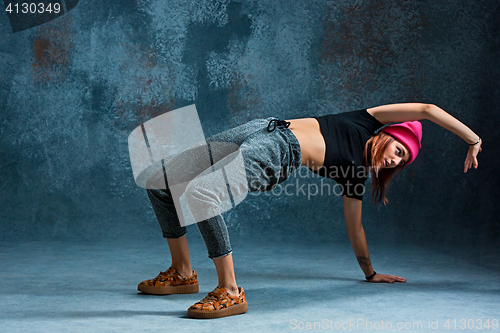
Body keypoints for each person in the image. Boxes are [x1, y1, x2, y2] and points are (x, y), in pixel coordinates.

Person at [137, 103, 482, 319]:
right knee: (159, 180)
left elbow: (355, 228)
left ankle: (229, 291)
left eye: (402, 161)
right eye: (398, 149)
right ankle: (182, 273)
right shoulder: (365, 120)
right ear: (388, 134)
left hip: (279, 150)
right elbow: (426, 110)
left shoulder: (355, 175)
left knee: (201, 192)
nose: (395, 159)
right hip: (261, 126)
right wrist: (472, 139)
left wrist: (370, 272)